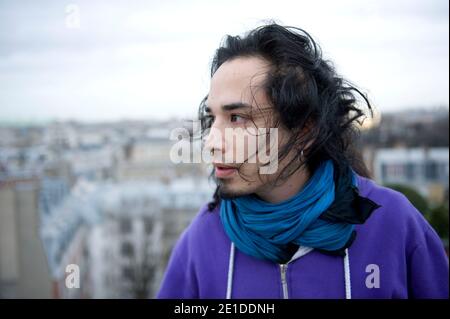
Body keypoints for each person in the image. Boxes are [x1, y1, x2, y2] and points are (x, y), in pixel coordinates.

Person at [157, 23, 449, 299]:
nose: (212, 142)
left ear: (304, 131)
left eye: (237, 118)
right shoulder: (204, 239)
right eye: (213, 117)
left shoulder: (392, 223)